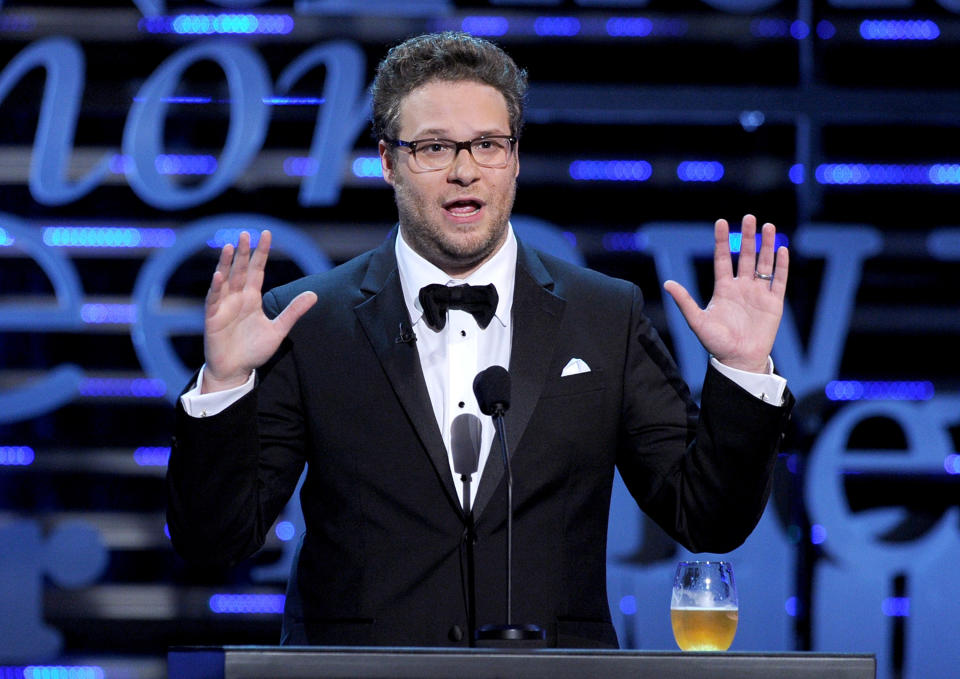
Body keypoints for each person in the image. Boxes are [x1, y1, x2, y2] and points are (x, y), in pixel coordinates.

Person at [166, 31, 793, 649]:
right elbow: (213, 541)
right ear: (388, 161)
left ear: (515, 157)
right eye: (434, 147)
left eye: (488, 145)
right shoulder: (309, 319)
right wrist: (224, 385)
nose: (465, 171)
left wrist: (742, 371)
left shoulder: (604, 315)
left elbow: (706, 518)